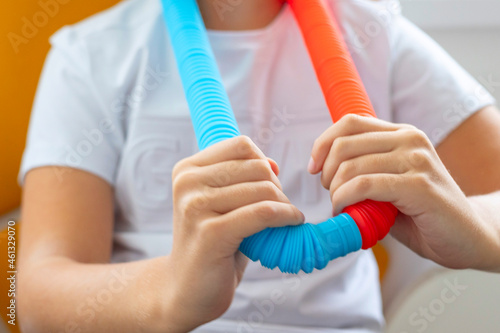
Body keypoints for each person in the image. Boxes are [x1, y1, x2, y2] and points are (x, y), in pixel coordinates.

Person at [17, 0, 500, 332]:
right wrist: (170, 294)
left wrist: (475, 226)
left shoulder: (375, 32)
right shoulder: (92, 56)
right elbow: (38, 296)